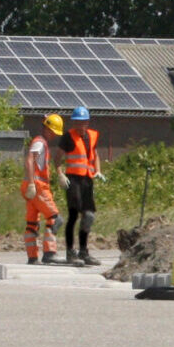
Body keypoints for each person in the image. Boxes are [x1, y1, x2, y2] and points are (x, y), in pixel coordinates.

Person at [59, 106, 104, 266]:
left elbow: (95, 154)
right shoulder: (68, 137)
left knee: (89, 216)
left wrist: (97, 170)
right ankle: (70, 252)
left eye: (83, 122)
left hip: (87, 180)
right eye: (77, 122)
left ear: (87, 122)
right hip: (72, 180)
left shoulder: (92, 136)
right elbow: (57, 158)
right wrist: (60, 174)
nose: (80, 125)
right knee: (73, 216)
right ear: (74, 122)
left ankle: (84, 251)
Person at [23, 114, 64, 264]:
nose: (54, 135)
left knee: (32, 223)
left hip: (31, 186)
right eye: (53, 131)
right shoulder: (39, 142)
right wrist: (33, 183)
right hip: (38, 186)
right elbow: (29, 159)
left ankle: (32, 257)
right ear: (47, 129)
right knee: (55, 219)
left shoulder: (40, 142)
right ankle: (49, 253)